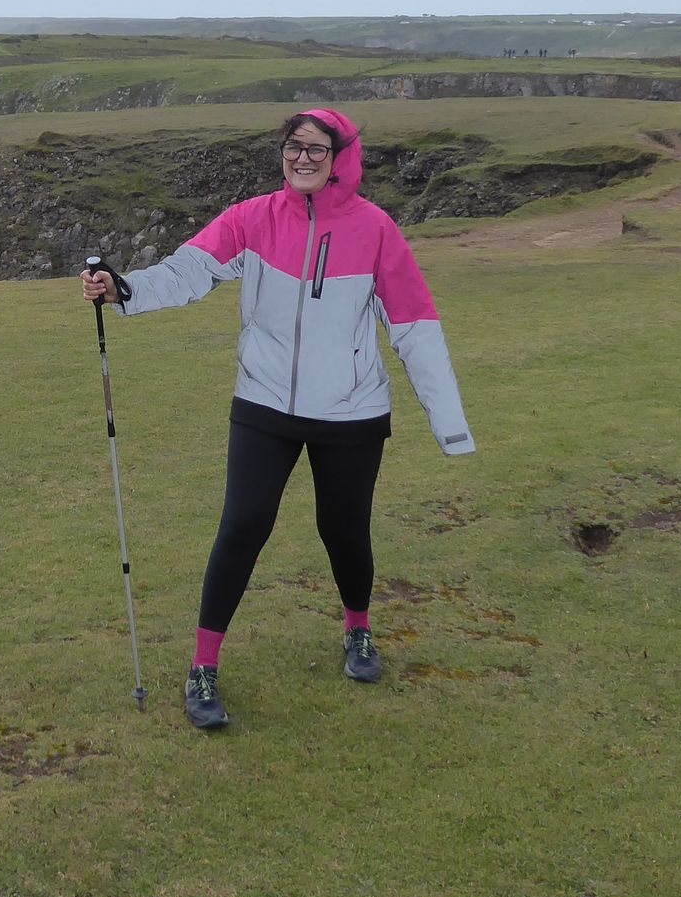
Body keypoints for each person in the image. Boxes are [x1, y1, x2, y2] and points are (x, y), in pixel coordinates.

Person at [79, 108, 476, 731]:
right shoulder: (251, 218)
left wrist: (450, 427)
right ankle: (203, 668)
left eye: (319, 149)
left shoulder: (376, 231)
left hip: (351, 413)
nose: (304, 158)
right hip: (264, 404)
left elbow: (416, 329)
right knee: (242, 525)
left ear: (342, 156)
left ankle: (359, 629)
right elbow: (189, 270)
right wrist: (124, 290)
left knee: (344, 532)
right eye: (294, 147)